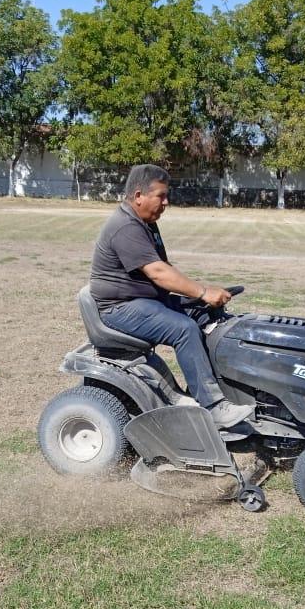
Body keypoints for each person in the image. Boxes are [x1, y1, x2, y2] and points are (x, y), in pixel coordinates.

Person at [89, 164, 255, 429]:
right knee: (184, 329)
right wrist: (203, 291)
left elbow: (164, 269)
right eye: (161, 196)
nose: (166, 202)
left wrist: (202, 298)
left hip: (144, 299)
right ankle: (214, 407)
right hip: (120, 307)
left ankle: (230, 389)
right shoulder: (125, 226)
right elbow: (158, 272)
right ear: (139, 195)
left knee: (204, 313)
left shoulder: (145, 223)